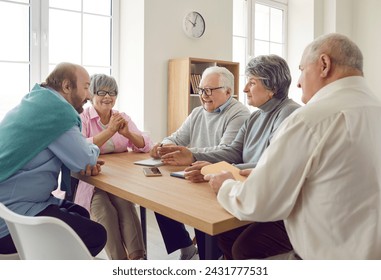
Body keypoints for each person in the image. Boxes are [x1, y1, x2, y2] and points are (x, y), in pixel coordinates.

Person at [206, 33, 381, 259]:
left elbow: (255, 202)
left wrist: (226, 185)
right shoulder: (374, 110)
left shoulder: (311, 119)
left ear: (324, 65)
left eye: (301, 69)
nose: (298, 82)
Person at [160, 54, 300, 259]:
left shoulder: (289, 114)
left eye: (251, 83)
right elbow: (233, 151)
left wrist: (214, 169)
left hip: (277, 206)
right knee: (221, 235)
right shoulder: (255, 117)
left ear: (272, 88)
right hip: (250, 193)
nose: (243, 89)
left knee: (241, 246)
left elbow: (270, 163)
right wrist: (195, 157)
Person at [0, 62, 107, 256]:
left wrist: (82, 151)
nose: (89, 96)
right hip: (12, 220)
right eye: (85, 87)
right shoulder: (56, 112)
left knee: (82, 214)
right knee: (96, 235)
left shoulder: (37, 102)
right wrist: (90, 149)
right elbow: (84, 160)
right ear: (67, 87)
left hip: (10, 205)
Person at [151, 66, 250, 260]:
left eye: (209, 90)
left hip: (220, 178)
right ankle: (186, 248)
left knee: (203, 221)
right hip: (196, 174)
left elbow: (227, 152)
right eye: (202, 90)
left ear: (228, 91)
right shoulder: (197, 112)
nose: (204, 95)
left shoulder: (239, 114)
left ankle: (209, 258)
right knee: (159, 197)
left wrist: (190, 154)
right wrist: (164, 146)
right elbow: (176, 137)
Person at [74, 74, 152, 260]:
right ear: (91, 94)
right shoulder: (83, 118)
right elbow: (80, 147)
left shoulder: (121, 117)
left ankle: (137, 258)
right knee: (105, 211)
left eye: (112, 92)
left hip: (118, 179)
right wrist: (110, 131)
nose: (107, 96)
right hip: (92, 180)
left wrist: (128, 134)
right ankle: (119, 263)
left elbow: (145, 144)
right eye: (102, 92)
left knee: (125, 205)